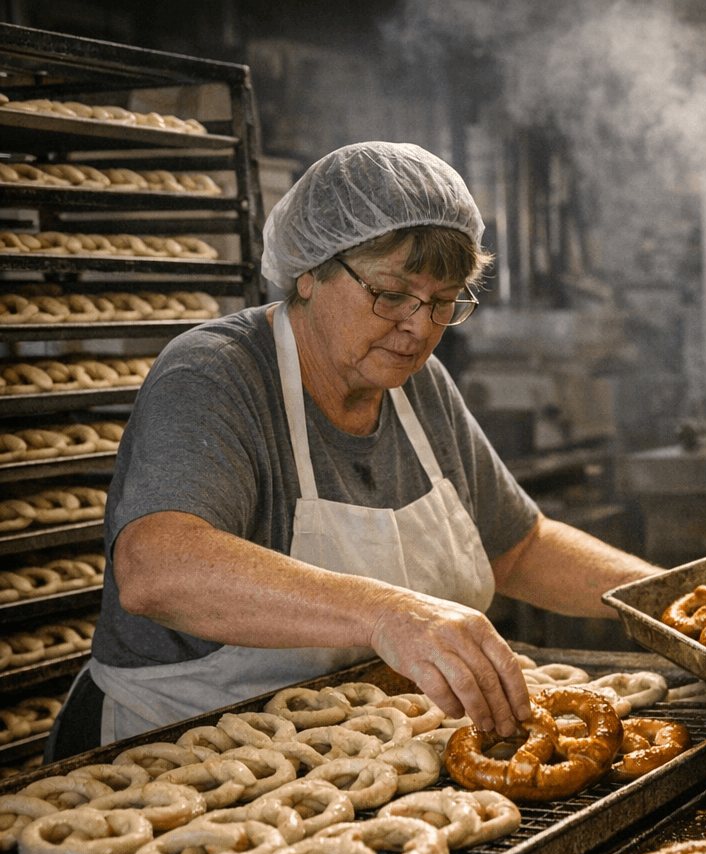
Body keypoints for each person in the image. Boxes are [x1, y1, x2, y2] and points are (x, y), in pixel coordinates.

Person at [46, 141, 660, 758]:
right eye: (392, 294)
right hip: (178, 758)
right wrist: (388, 614)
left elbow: (518, 547)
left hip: (348, 753)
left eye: (443, 302)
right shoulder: (216, 373)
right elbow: (159, 570)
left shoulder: (416, 386)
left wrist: (668, 600)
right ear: (310, 271)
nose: (419, 327)